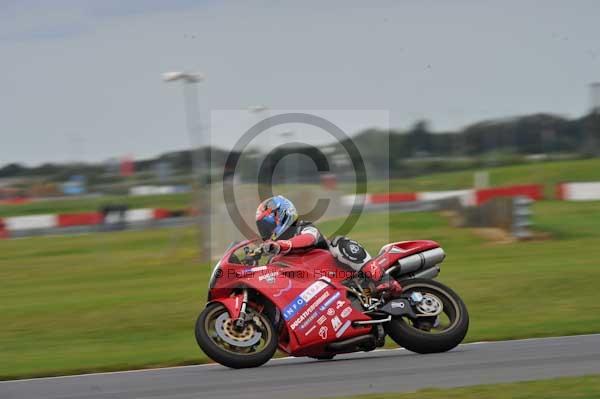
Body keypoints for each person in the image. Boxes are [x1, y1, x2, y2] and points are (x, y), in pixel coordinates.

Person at [255, 195, 402, 297]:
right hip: (316, 292)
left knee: (338, 242)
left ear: (281, 215)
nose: (267, 231)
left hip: (345, 276)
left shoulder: (301, 228)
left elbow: (310, 238)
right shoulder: (275, 257)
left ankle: (383, 279)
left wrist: (281, 245)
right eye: (263, 228)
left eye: (268, 225)